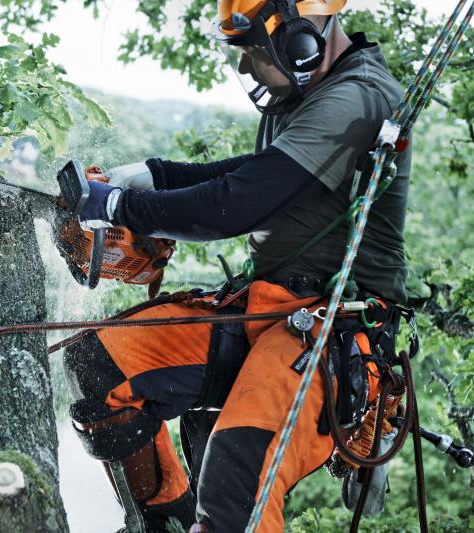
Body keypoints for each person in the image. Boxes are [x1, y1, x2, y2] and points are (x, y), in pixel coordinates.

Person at [65, 0, 412, 531]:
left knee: (237, 472)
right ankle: (167, 518)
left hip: (329, 327)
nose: (245, 67)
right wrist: (158, 176)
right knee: (100, 364)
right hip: (265, 308)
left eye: (251, 50)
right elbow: (256, 172)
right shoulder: (302, 95)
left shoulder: (358, 99)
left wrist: (120, 208)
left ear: (299, 38)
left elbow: (236, 203)